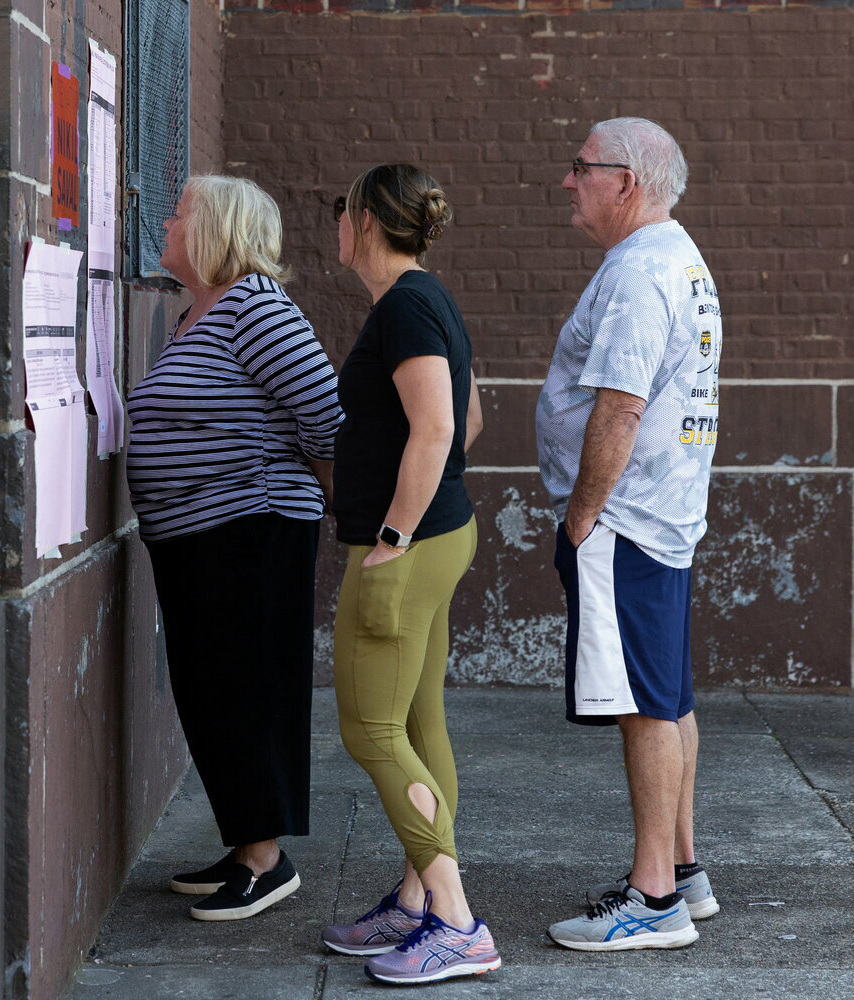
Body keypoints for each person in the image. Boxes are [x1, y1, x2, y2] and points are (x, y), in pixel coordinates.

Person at [125, 175, 343, 921]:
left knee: (246, 690)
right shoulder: (198, 314)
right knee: (210, 689)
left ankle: (266, 860)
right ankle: (245, 839)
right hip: (197, 539)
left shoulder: (256, 310)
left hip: (252, 531)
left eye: (179, 211)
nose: (165, 218)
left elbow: (327, 420)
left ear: (216, 228)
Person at [537, 117, 723, 951]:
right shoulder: (676, 259)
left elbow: (620, 406)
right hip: (664, 516)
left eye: (583, 169)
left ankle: (653, 902)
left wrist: (582, 518)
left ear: (628, 182)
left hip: (626, 520)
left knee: (644, 705)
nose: (568, 182)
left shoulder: (643, 272)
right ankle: (682, 871)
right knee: (669, 693)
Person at [317, 164, 498, 986]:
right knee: (419, 722)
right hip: (432, 539)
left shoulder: (408, 305)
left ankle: (456, 921)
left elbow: (438, 428)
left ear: (368, 221)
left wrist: (393, 532)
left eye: (340, 209)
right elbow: (471, 419)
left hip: (404, 547)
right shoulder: (425, 301)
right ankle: (418, 897)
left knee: (372, 731)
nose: (335, 222)